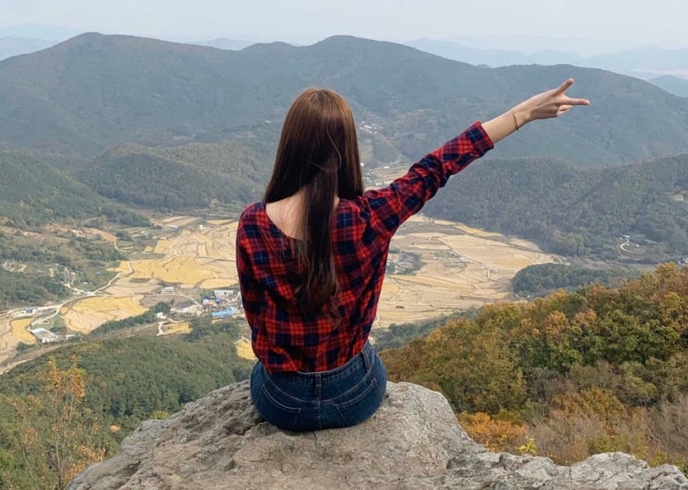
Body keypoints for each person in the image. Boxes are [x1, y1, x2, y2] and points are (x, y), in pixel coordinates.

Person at [236, 78, 589, 432]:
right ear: (347, 149)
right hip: (354, 395)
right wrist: (522, 114)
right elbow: (434, 168)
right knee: (365, 356)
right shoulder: (371, 216)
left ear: (288, 147)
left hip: (284, 402)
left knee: (261, 372)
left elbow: (257, 319)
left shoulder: (253, 223)